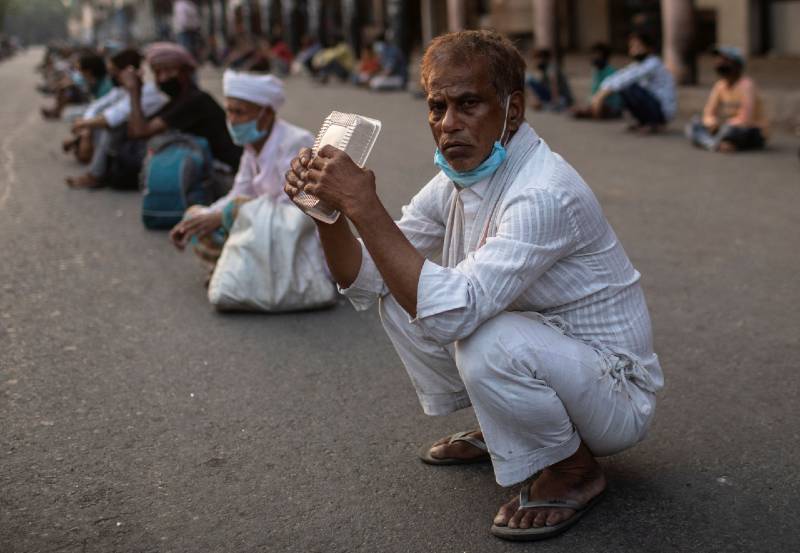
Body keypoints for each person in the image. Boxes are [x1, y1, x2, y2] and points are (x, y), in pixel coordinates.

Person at [284, 30, 662, 542]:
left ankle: (575, 468)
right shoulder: (460, 178)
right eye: (437, 107)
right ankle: (507, 423)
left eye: (468, 104)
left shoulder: (543, 192)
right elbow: (369, 277)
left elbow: (453, 314)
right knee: (403, 290)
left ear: (512, 111)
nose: (448, 124)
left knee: (482, 335)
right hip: (556, 357)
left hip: (614, 393)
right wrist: (325, 209)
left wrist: (364, 206)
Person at [169, 70, 314, 273]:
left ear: (267, 114)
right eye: (229, 111)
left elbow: (295, 213)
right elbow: (240, 192)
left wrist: (227, 216)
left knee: (233, 210)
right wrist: (201, 219)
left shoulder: (296, 143)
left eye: (240, 112)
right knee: (195, 215)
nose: (232, 120)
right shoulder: (251, 147)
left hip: (294, 236)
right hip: (262, 226)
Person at [120, 42, 242, 176]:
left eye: (169, 70)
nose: (163, 78)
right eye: (157, 72)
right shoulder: (176, 101)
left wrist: (134, 91)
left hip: (225, 171)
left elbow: (140, 131)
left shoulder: (195, 100)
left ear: (186, 71)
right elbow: (134, 132)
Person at [64, 48, 168, 189]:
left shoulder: (149, 92)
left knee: (112, 127)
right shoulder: (123, 89)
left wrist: (86, 127)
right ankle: (93, 163)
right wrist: (86, 127)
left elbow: (114, 118)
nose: (111, 75)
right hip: (133, 139)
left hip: (148, 145)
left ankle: (96, 175)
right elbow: (99, 107)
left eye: (114, 71)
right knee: (96, 123)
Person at [685, 46, 768, 153]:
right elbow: (709, 112)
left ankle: (713, 142)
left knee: (731, 131)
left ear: (737, 65)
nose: (720, 64)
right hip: (726, 128)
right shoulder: (720, 86)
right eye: (719, 61)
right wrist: (711, 122)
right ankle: (717, 143)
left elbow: (746, 119)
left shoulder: (747, 85)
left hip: (749, 130)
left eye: (725, 61)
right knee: (694, 126)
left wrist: (726, 126)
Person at [590, 31, 676, 133]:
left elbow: (628, 78)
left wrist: (601, 95)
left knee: (629, 86)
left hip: (661, 110)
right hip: (652, 105)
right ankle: (643, 122)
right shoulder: (637, 65)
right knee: (624, 88)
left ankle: (654, 123)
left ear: (649, 48)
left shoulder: (653, 63)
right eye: (632, 47)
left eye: (638, 46)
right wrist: (599, 95)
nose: (634, 50)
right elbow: (619, 76)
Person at [41, 51, 112, 120]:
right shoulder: (89, 78)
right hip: (81, 97)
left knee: (68, 94)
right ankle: (56, 110)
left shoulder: (105, 86)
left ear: (88, 71)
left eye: (81, 70)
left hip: (90, 103)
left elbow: (101, 107)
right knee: (67, 91)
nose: (80, 73)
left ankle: (57, 111)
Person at [571, 43, 622, 120]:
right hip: (598, 104)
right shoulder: (596, 71)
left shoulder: (611, 72)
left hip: (610, 106)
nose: (593, 58)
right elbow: (594, 93)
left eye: (596, 55)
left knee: (584, 112)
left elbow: (612, 99)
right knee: (577, 110)